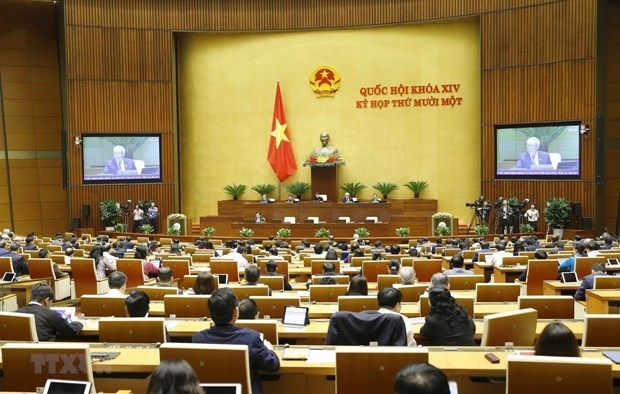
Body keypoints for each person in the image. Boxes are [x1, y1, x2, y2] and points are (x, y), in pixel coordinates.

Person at [192, 288, 280, 394]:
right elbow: (272, 366)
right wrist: (270, 350)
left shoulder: (198, 339)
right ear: (235, 312)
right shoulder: (251, 338)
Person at [16, 283, 83, 341]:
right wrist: (78, 322)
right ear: (46, 300)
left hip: (19, 353)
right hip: (43, 352)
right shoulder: (51, 314)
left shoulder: (15, 313)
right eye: (51, 302)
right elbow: (71, 332)